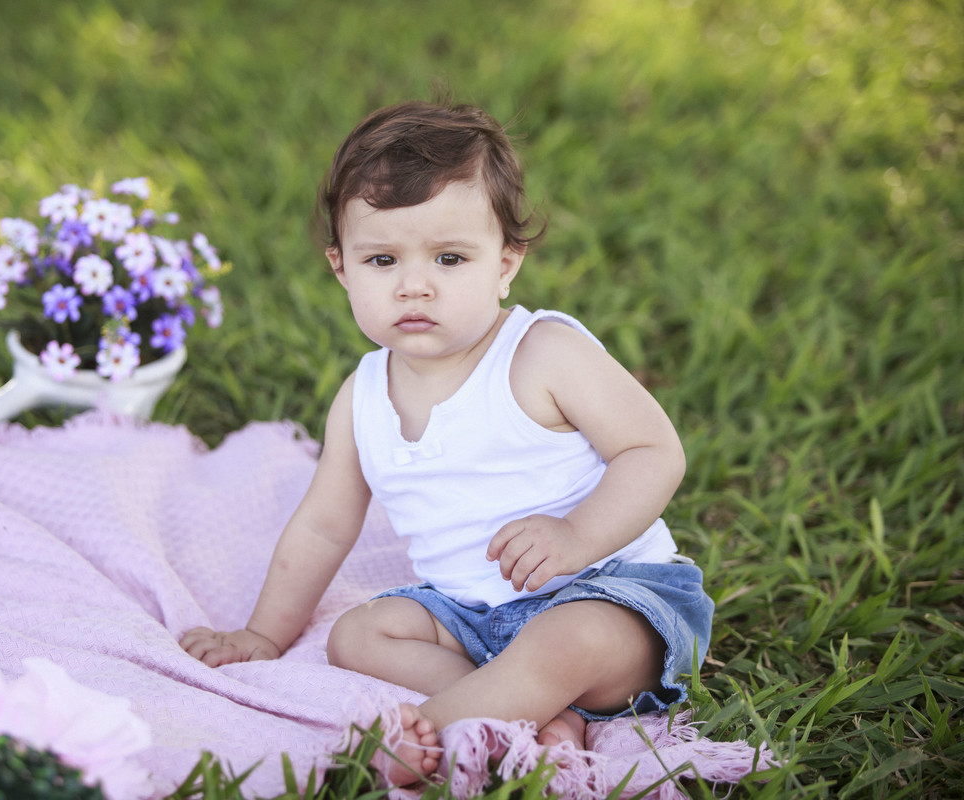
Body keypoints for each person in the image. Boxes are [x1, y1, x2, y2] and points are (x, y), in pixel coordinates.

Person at [181, 100, 715, 786]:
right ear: (341, 269)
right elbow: (323, 525)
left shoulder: (542, 353)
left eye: (450, 258)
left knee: (567, 640)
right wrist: (262, 633)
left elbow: (654, 451)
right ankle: (536, 711)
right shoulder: (362, 399)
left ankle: (431, 729)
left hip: (614, 595)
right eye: (382, 259)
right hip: (471, 617)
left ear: (506, 264)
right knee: (357, 635)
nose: (415, 285)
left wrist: (576, 536)